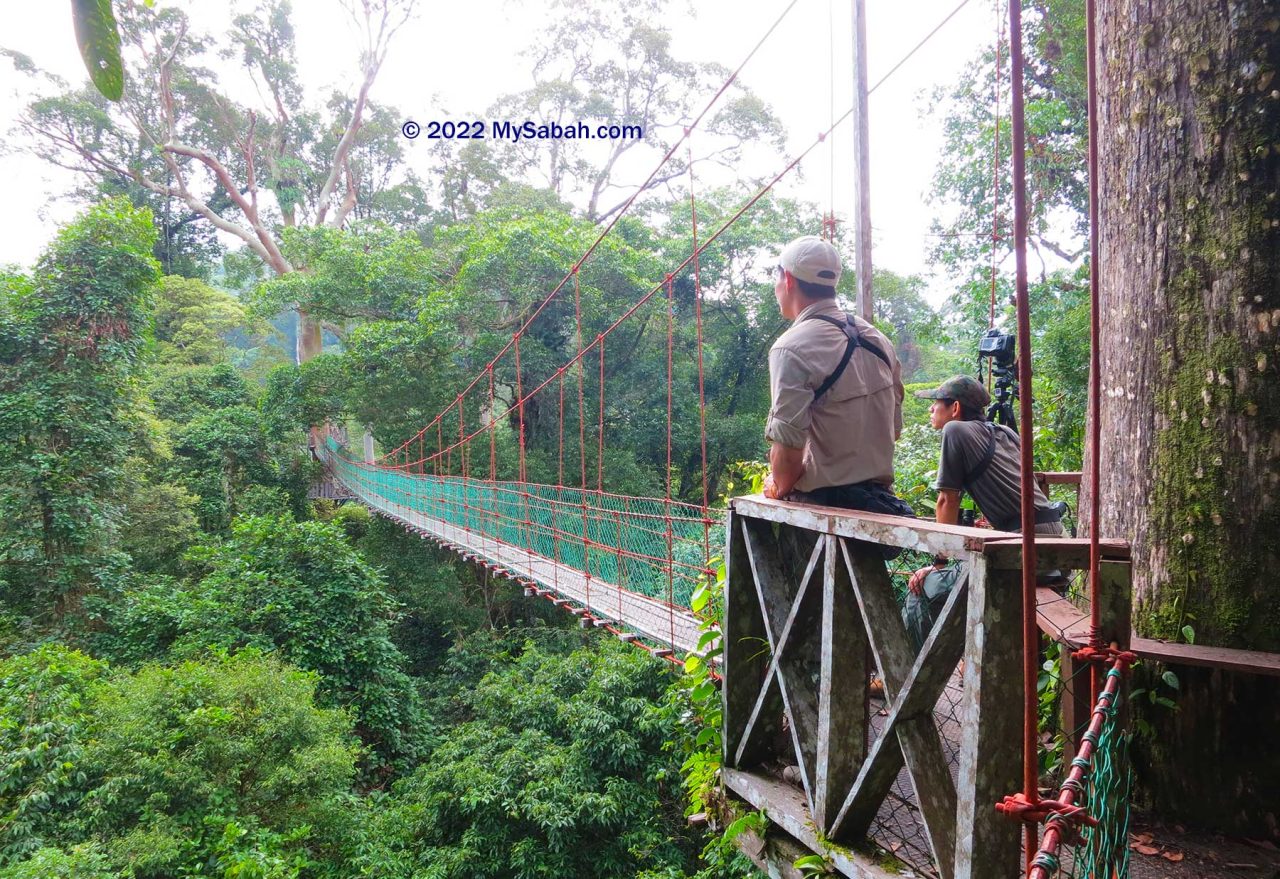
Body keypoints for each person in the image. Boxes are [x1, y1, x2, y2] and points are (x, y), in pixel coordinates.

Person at [902, 375, 1066, 652]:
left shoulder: (955, 430)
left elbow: (946, 500)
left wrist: (939, 564)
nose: (931, 409)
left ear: (955, 409)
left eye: (936, 403)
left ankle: (905, 676)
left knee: (922, 588)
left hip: (1023, 551)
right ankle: (965, 659)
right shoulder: (1005, 432)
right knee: (963, 586)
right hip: (1055, 544)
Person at [759, 236, 914, 530]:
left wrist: (777, 484)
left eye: (775, 276)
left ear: (788, 279)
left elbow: (787, 460)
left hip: (822, 516)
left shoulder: (790, 348)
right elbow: (893, 429)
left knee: (807, 578)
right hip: (876, 511)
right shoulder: (877, 339)